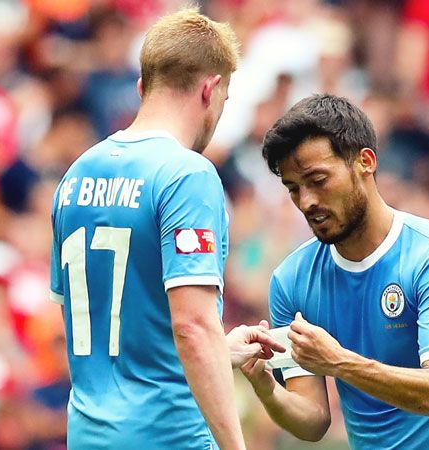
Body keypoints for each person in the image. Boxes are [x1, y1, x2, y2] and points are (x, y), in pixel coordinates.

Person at [49, 9, 283, 450]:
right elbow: (192, 325)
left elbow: (108, 324)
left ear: (143, 88)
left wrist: (221, 350)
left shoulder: (76, 176)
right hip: (167, 437)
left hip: (86, 436)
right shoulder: (186, 175)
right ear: (210, 90)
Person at [241, 94, 429, 449]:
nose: (307, 202)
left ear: (365, 161)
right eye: (294, 188)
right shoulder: (290, 280)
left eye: (318, 180)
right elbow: (313, 421)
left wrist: (340, 362)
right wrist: (265, 387)